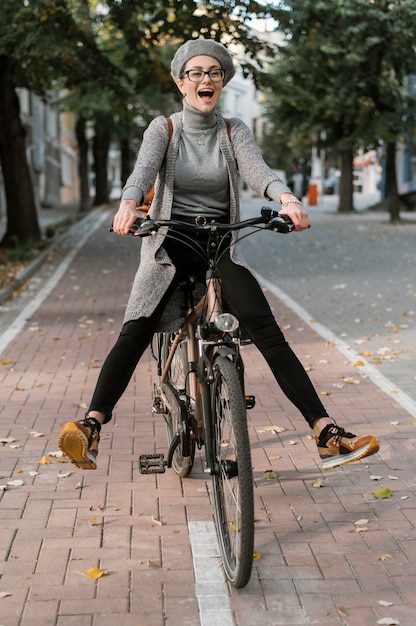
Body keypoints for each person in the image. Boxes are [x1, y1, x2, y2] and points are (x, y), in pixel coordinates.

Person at [58, 39, 379, 471]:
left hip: (218, 244)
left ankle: (325, 432)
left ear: (222, 82)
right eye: (196, 73)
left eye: (214, 72)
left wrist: (287, 199)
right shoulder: (164, 129)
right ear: (181, 83)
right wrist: (128, 205)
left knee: (268, 331)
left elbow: (258, 173)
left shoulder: (233, 131)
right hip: (169, 243)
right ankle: (92, 424)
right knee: (136, 328)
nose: (205, 79)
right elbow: (142, 173)